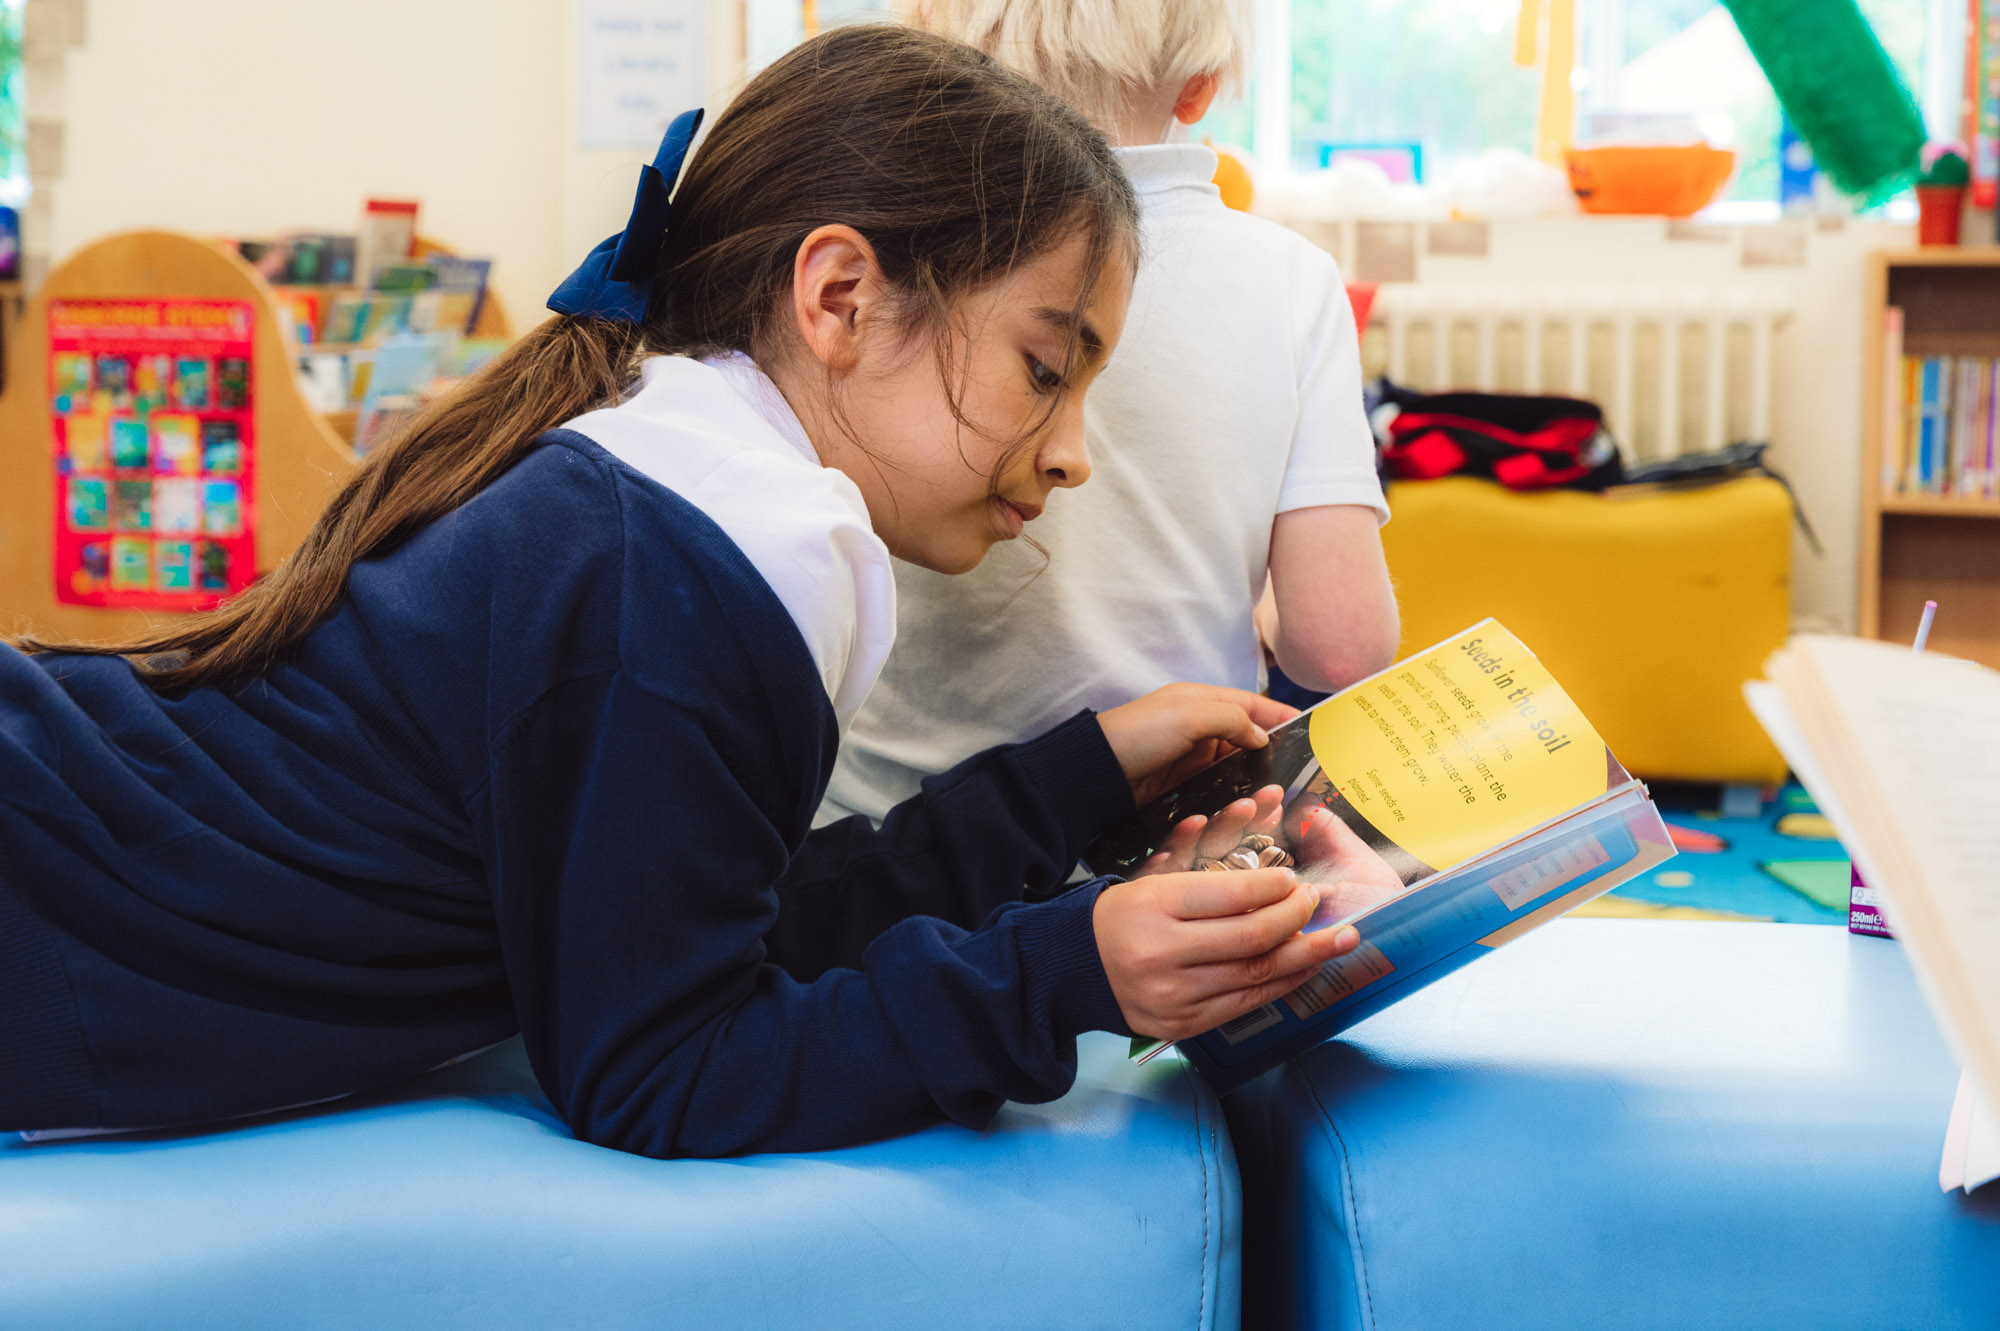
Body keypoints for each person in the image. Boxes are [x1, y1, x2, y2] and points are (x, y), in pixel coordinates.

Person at [0, 26, 1363, 1159]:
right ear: (838, 296)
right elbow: (665, 1064)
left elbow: (715, 920)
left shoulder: (675, 483)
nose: (1071, 453)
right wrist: (1071, 968)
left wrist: (1069, 783)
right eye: (1047, 367)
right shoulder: (699, 555)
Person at [822, 0, 1400, 827]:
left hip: (876, 842)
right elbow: (1341, 645)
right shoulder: (1287, 280)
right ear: (1198, 87)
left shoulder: (880, 244)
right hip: (1169, 837)